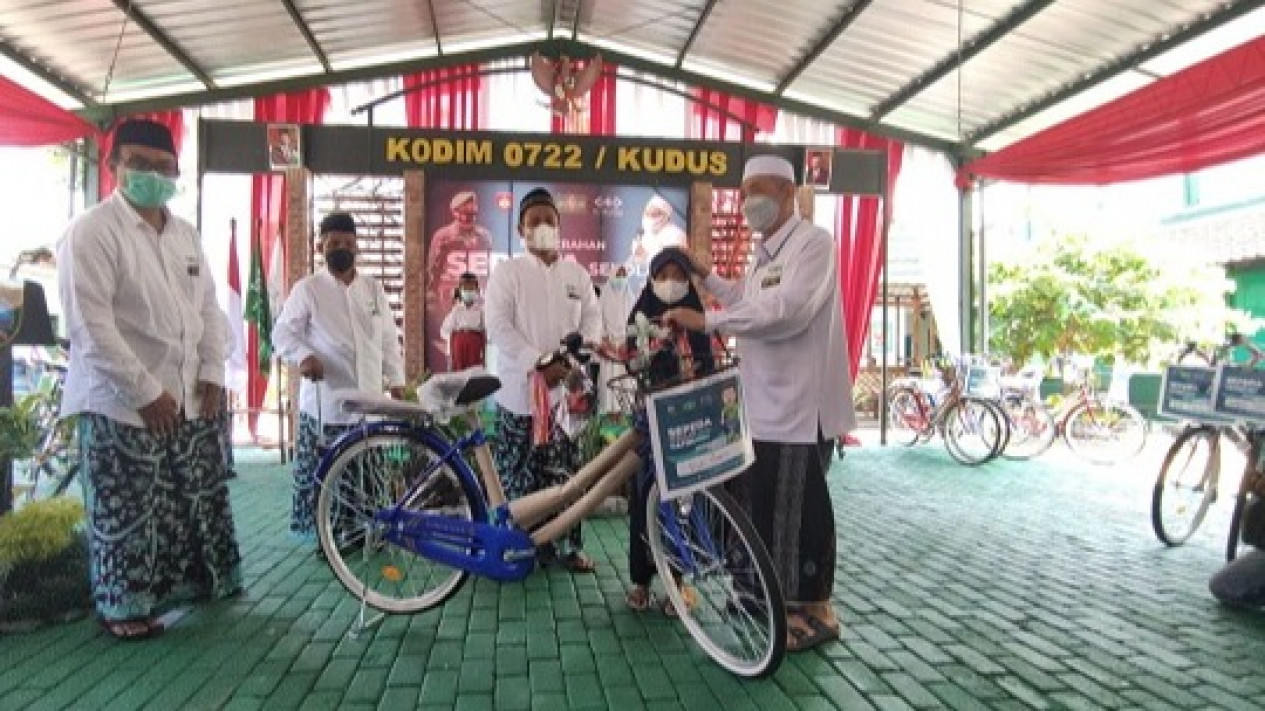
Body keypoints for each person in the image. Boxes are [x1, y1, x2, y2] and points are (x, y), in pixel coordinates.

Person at [56, 118, 241, 640]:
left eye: (163, 167)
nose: (152, 175)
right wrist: (143, 391)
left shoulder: (183, 234)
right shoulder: (91, 232)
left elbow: (207, 308)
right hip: (119, 401)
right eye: (138, 163)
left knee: (186, 504)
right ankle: (123, 609)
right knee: (127, 511)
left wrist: (209, 371)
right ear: (113, 166)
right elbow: (89, 325)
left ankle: (183, 589)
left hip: (186, 393)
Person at [663, 154, 853, 653]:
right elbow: (749, 300)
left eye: (761, 191)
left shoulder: (814, 245)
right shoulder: (765, 253)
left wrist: (708, 323)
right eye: (745, 192)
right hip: (763, 403)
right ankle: (766, 596)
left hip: (801, 404)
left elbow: (787, 312)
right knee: (765, 508)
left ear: (789, 194)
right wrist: (706, 276)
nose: (750, 202)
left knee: (800, 510)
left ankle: (814, 610)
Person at [485, 187, 602, 573]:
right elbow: (499, 327)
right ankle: (521, 547)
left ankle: (568, 546)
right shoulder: (508, 272)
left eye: (549, 220)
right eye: (534, 221)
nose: (542, 227)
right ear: (521, 228)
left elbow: (592, 322)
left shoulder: (577, 275)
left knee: (566, 475)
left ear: (560, 225)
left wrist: (568, 364)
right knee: (518, 475)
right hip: (519, 396)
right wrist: (538, 363)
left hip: (565, 398)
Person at [272, 212, 406, 545]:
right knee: (329, 476)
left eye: (347, 242)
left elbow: (388, 338)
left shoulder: (373, 288)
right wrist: (304, 356)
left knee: (368, 471)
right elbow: (282, 334)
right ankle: (327, 537)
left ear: (357, 246)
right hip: (328, 403)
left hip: (370, 400)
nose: (341, 248)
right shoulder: (308, 289)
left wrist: (397, 379)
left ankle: (367, 532)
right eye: (334, 243)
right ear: (321, 246)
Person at [623, 247, 715, 615]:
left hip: (688, 423)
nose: (671, 283)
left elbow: (708, 362)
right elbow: (632, 359)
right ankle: (640, 581)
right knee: (644, 497)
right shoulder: (640, 314)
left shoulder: (697, 316)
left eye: (679, 276)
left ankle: (678, 583)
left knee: (683, 502)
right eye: (664, 275)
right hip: (650, 421)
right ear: (651, 279)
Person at [596, 264, 635, 419]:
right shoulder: (603, 299)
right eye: (618, 276)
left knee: (626, 385)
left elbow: (634, 324)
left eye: (623, 276)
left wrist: (628, 342)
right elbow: (598, 323)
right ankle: (610, 415)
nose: (620, 279)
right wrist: (607, 343)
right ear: (611, 277)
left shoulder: (631, 298)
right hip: (609, 348)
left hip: (625, 348)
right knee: (609, 381)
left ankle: (626, 416)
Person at [440, 272, 486, 371]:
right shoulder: (456, 310)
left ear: (477, 291)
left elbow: (487, 331)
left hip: (475, 347)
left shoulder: (481, 311)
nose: (468, 291)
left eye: (471, 288)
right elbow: (444, 331)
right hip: (459, 347)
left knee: (474, 375)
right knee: (459, 375)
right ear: (460, 291)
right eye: (466, 289)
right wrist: (456, 338)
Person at [629, 195, 687, 267]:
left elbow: (671, 263)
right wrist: (638, 254)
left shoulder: (676, 235)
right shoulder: (646, 235)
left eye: (654, 214)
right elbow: (639, 263)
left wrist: (646, 255)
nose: (649, 218)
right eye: (647, 214)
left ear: (666, 216)